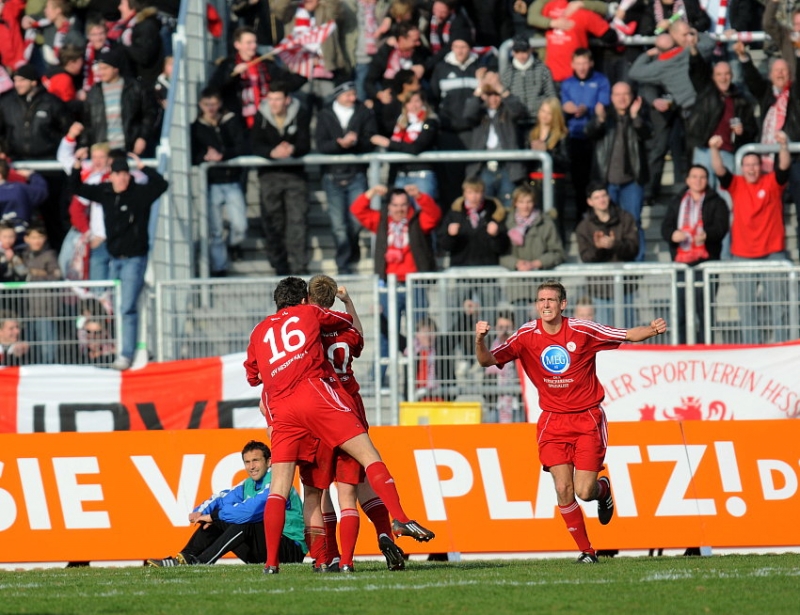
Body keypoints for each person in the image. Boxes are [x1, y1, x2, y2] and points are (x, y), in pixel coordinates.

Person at [244, 277, 434, 574]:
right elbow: (351, 327)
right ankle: (387, 527)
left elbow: (253, 377)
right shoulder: (313, 316)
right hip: (326, 400)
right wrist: (346, 303)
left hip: (282, 410)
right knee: (357, 482)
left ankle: (295, 561)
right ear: (304, 299)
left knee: (302, 492)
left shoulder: (259, 330)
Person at [475, 279, 668, 563]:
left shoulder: (583, 329)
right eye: (541, 300)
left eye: (551, 300)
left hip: (587, 418)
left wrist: (652, 329)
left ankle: (603, 491)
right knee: (563, 488)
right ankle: (587, 551)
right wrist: (479, 340)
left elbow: (626, 334)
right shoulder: (525, 335)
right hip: (553, 421)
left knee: (584, 490)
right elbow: (487, 361)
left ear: (562, 304)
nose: (545, 305)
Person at [306, 274, 406, 573]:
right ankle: (383, 534)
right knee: (355, 485)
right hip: (353, 407)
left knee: (322, 489)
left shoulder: (309, 330)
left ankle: (332, 556)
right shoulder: (346, 330)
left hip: (324, 408)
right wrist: (348, 302)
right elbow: (358, 331)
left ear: (310, 300)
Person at [70, 152, 169, 371]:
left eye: (125, 174)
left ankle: (126, 354)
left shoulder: (139, 194)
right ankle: (108, 348)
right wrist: (77, 165)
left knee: (127, 308)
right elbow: (77, 188)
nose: (121, 179)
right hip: (113, 258)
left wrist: (144, 167)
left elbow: (161, 184)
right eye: (117, 174)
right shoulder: (105, 193)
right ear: (110, 176)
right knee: (106, 305)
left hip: (133, 259)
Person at [146, 441, 307, 567]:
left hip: (289, 549)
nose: (251, 466)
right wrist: (202, 512)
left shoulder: (278, 481)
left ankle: (201, 562)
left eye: (256, 461)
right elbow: (222, 498)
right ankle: (184, 558)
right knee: (212, 522)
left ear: (269, 461)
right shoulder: (247, 485)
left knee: (243, 521)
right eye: (247, 462)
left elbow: (250, 511)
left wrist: (214, 516)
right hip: (265, 550)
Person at [350, 183, 441, 383]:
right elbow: (357, 209)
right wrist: (371, 192)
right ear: (388, 206)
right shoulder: (380, 221)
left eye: (403, 205)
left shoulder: (416, 220)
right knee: (386, 334)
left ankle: (420, 378)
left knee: (420, 334)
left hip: (414, 285)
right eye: (395, 205)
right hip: (389, 286)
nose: (400, 209)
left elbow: (434, 215)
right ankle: (378, 378)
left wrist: (419, 196)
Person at [709, 132, 792, 345]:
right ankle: (751, 347)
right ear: (742, 167)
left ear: (761, 166)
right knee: (746, 308)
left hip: (772, 253)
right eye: (747, 165)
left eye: (755, 164)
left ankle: (782, 346)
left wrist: (783, 146)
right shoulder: (736, 184)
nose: (751, 168)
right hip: (743, 255)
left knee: (779, 306)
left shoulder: (772, 183)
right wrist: (714, 150)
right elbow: (719, 170)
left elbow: (783, 168)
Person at [661, 165, 729, 343]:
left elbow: (722, 227)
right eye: (694, 176)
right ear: (687, 180)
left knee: (705, 308)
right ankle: (682, 345)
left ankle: (705, 344)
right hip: (681, 262)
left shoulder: (716, 201)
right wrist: (672, 235)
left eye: (702, 177)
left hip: (706, 261)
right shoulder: (677, 201)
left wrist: (707, 235)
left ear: (707, 180)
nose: (698, 180)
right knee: (681, 308)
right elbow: (666, 227)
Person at [315, 80, 377, 275]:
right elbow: (321, 145)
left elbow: (371, 139)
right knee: (338, 225)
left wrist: (356, 142)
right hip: (332, 175)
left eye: (353, 94)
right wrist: (339, 144)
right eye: (348, 94)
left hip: (356, 173)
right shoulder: (325, 114)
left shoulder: (363, 112)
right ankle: (344, 263)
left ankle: (351, 251)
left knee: (356, 220)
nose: (352, 98)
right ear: (338, 96)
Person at [585, 81, 651, 262]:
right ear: (611, 97)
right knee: (607, 223)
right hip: (607, 181)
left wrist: (636, 117)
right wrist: (599, 120)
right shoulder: (605, 115)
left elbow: (648, 134)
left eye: (626, 94)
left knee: (634, 221)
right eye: (617, 94)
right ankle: (612, 260)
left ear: (631, 96)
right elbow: (589, 132)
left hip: (632, 181)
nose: (622, 98)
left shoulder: (640, 113)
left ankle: (637, 261)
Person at [251, 81, 311, 276]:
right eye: (271, 99)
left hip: (294, 174)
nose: (274, 103)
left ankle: (299, 267)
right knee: (273, 222)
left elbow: (305, 142)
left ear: (287, 100)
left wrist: (293, 149)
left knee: (297, 222)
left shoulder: (300, 113)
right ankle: (279, 268)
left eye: (278, 99)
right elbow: (253, 144)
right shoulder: (260, 116)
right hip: (269, 176)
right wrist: (271, 152)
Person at [190, 88, 249, 277]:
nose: (211, 108)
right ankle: (219, 267)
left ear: (220, 103)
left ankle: (233, 245)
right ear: (200, 105)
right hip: (211, 183)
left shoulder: (231, 121)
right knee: (214, 230)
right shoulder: (196, 127)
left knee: (240, 226)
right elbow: (193, 154)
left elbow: (241, 145)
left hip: (232, 180)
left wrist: (223, 155)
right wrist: (205, 157)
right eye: (207, 104)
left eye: (214, 104)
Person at [575, 183, 639, 328]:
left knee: (626, 334)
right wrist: (599, 248)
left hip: (625, 287)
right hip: (599, 290)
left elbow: (634, 248)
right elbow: (586, 257)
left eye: (604, 195)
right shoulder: (584, 227)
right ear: (590, 202)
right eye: (597, 197)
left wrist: (614, 244)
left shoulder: (625, 218)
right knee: (603, 337)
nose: (602, 200)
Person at [500, 184, 564, 318]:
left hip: (543, 284)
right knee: (523, 330)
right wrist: (516, 263)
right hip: (518, 285)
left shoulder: (546, 223)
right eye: (521, 202)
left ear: (534, 202)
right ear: (515, 203)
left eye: (529, 201)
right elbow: (501, 254)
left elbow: (558, 252)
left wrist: (536, 263)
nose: (525, 206)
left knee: (545, 330)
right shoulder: (507, 223)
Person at [560, 48, 609, 221]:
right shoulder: (567, 84)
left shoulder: (601, 80)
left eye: (584, 63)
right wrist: (568, 109)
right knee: (578, 180)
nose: (581, 67)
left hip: (597, 137)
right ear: (573, 64)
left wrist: (588, 109)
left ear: (591, 63)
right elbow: (563, 104)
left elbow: (603, 105)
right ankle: (582, 217)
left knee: (597, 178)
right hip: (575, 137)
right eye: (578, 63)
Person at [527, 97, 570, 243]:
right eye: (542, 111)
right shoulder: (531, 134)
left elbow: (565, 162)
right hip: (534, 181)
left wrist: (547, 152)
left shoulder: (562, 135)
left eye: (549, 113)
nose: (544, 115)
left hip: (554, 182)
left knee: (554, 218)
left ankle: (558, 249)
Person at [18, 225, 62, 364]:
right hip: (28, 309)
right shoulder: (24, 254)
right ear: (26, 239)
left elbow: (55, 276)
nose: (36, 241)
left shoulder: (50, 255)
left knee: (46, 345)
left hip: (45, 308)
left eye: (40, 237)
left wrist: (34, 272)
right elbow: (19, 272)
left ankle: (48, 369)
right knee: (31, 344)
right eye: (33, 237)